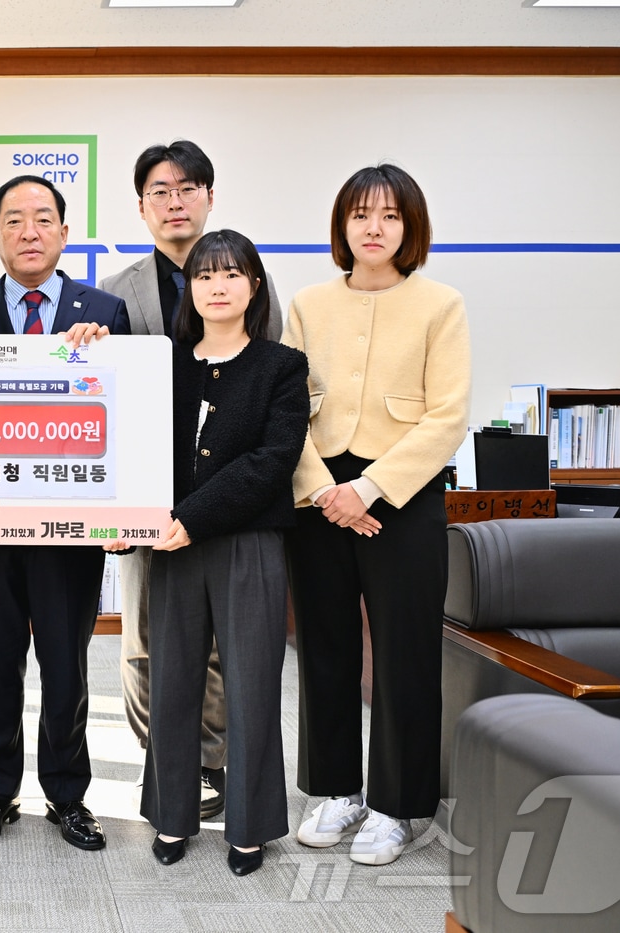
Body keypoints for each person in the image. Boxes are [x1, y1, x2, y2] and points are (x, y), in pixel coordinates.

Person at [285, 164, 470, 866]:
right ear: (342, 224)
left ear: (410, 226)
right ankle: (338, 790)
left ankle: (397, 806)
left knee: (404, 653)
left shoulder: (441, 304)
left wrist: (369, 489)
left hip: (404, 494)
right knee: (325, 647)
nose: (374, 227)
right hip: (318, 496)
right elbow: (286, 408)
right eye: (361, 213)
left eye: (390, 215)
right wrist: (323, 489)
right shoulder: (308, 304)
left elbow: (447, 416)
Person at [0, 175, 130, 852]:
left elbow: (125, 415)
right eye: (14, 220)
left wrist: (103, 352)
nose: (29, 231)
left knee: (66, 666)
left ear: (64, 233)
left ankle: (67, 795)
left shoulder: (103, 311)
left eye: (43, 218)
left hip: (70, 531)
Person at [99, 139, 285, 820]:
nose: (174, 202)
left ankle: (210, 764)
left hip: (228, 498)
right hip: (145, 501)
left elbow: (267, 384)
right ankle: (163, 762)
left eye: (187, 189)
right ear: (142, 206)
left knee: (219, 648)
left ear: (209, 196)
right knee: (145, 642)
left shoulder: (250, 276)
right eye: (160, 191)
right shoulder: (114, 291)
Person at [138, 230, 307, 876]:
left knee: (253, 684)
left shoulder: (281, 366)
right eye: (205, 275)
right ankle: (172, 815)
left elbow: (272, 462)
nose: (217, 286)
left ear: (254, 286)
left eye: (232, 274)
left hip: (247, 543)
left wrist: (192, 517)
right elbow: (140, 448)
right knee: (172, 681)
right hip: (171, 545)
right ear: (190, 289)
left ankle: (250, 827)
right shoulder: (165, 363)